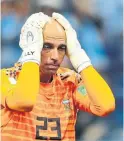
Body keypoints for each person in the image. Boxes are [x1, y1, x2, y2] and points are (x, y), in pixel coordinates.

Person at [1, 12, 115, 141]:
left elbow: (106, 106)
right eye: (46, 46)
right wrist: (31, 53)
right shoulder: (4, 78)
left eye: (61, 48)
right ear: (31, 44)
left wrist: (79, 56)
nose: (55, 56)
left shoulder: (69, 81)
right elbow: (25, 101)